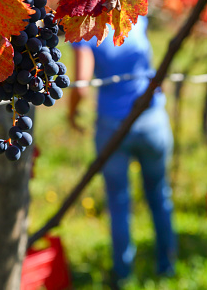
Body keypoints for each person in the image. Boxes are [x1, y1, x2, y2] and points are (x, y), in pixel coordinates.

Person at [69, 16, 177, 281]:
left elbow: (81, 84)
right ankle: (167, 266)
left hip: (112, 127)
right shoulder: (132, 13)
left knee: (118, 203)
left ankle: (122, 273)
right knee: (159, 194)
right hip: (152, 119)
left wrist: (71, 114)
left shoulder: (86, 28)